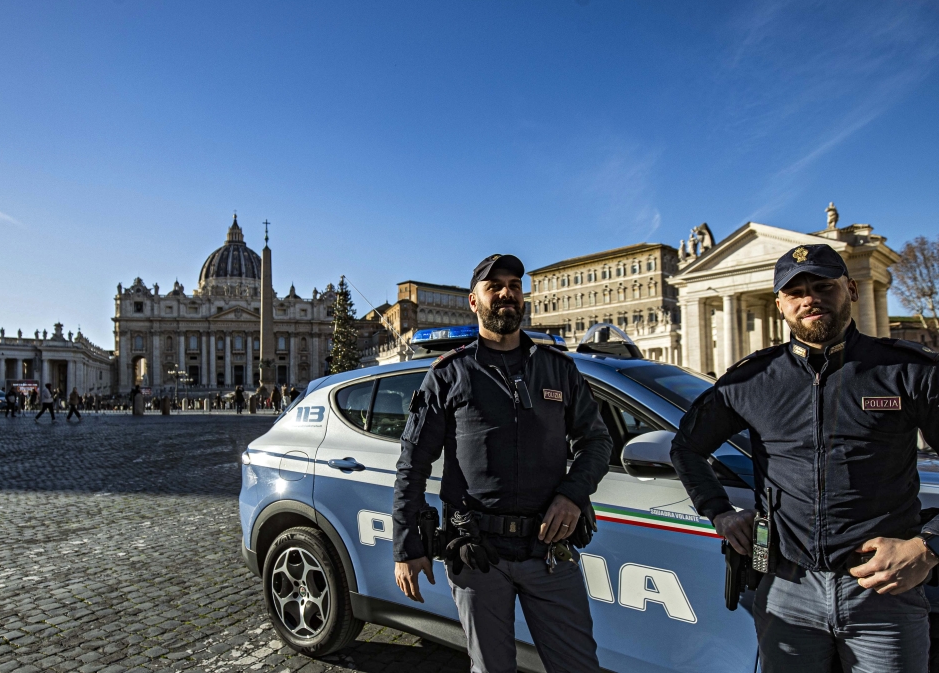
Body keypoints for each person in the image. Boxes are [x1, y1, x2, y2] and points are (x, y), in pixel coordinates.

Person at [670, 244, 939, 673]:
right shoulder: (750, 380)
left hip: (882, 591)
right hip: (785, 590)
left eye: (822, 286)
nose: (808, 298)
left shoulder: (906, 371)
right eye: (794, 292)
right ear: (780, 305)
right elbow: (685, 447)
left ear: (850, 289)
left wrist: (927, 546)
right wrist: (719, 511)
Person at [393, 254, 612, 673]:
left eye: (514, 285)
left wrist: (572, 493)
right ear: (474, 302)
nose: (507, 293)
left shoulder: (557, 369)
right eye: (494, 287)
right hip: (479, 556)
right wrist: (407, 546)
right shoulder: (447, 375)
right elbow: (413, 465)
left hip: (548, 550)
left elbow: (596, 440)